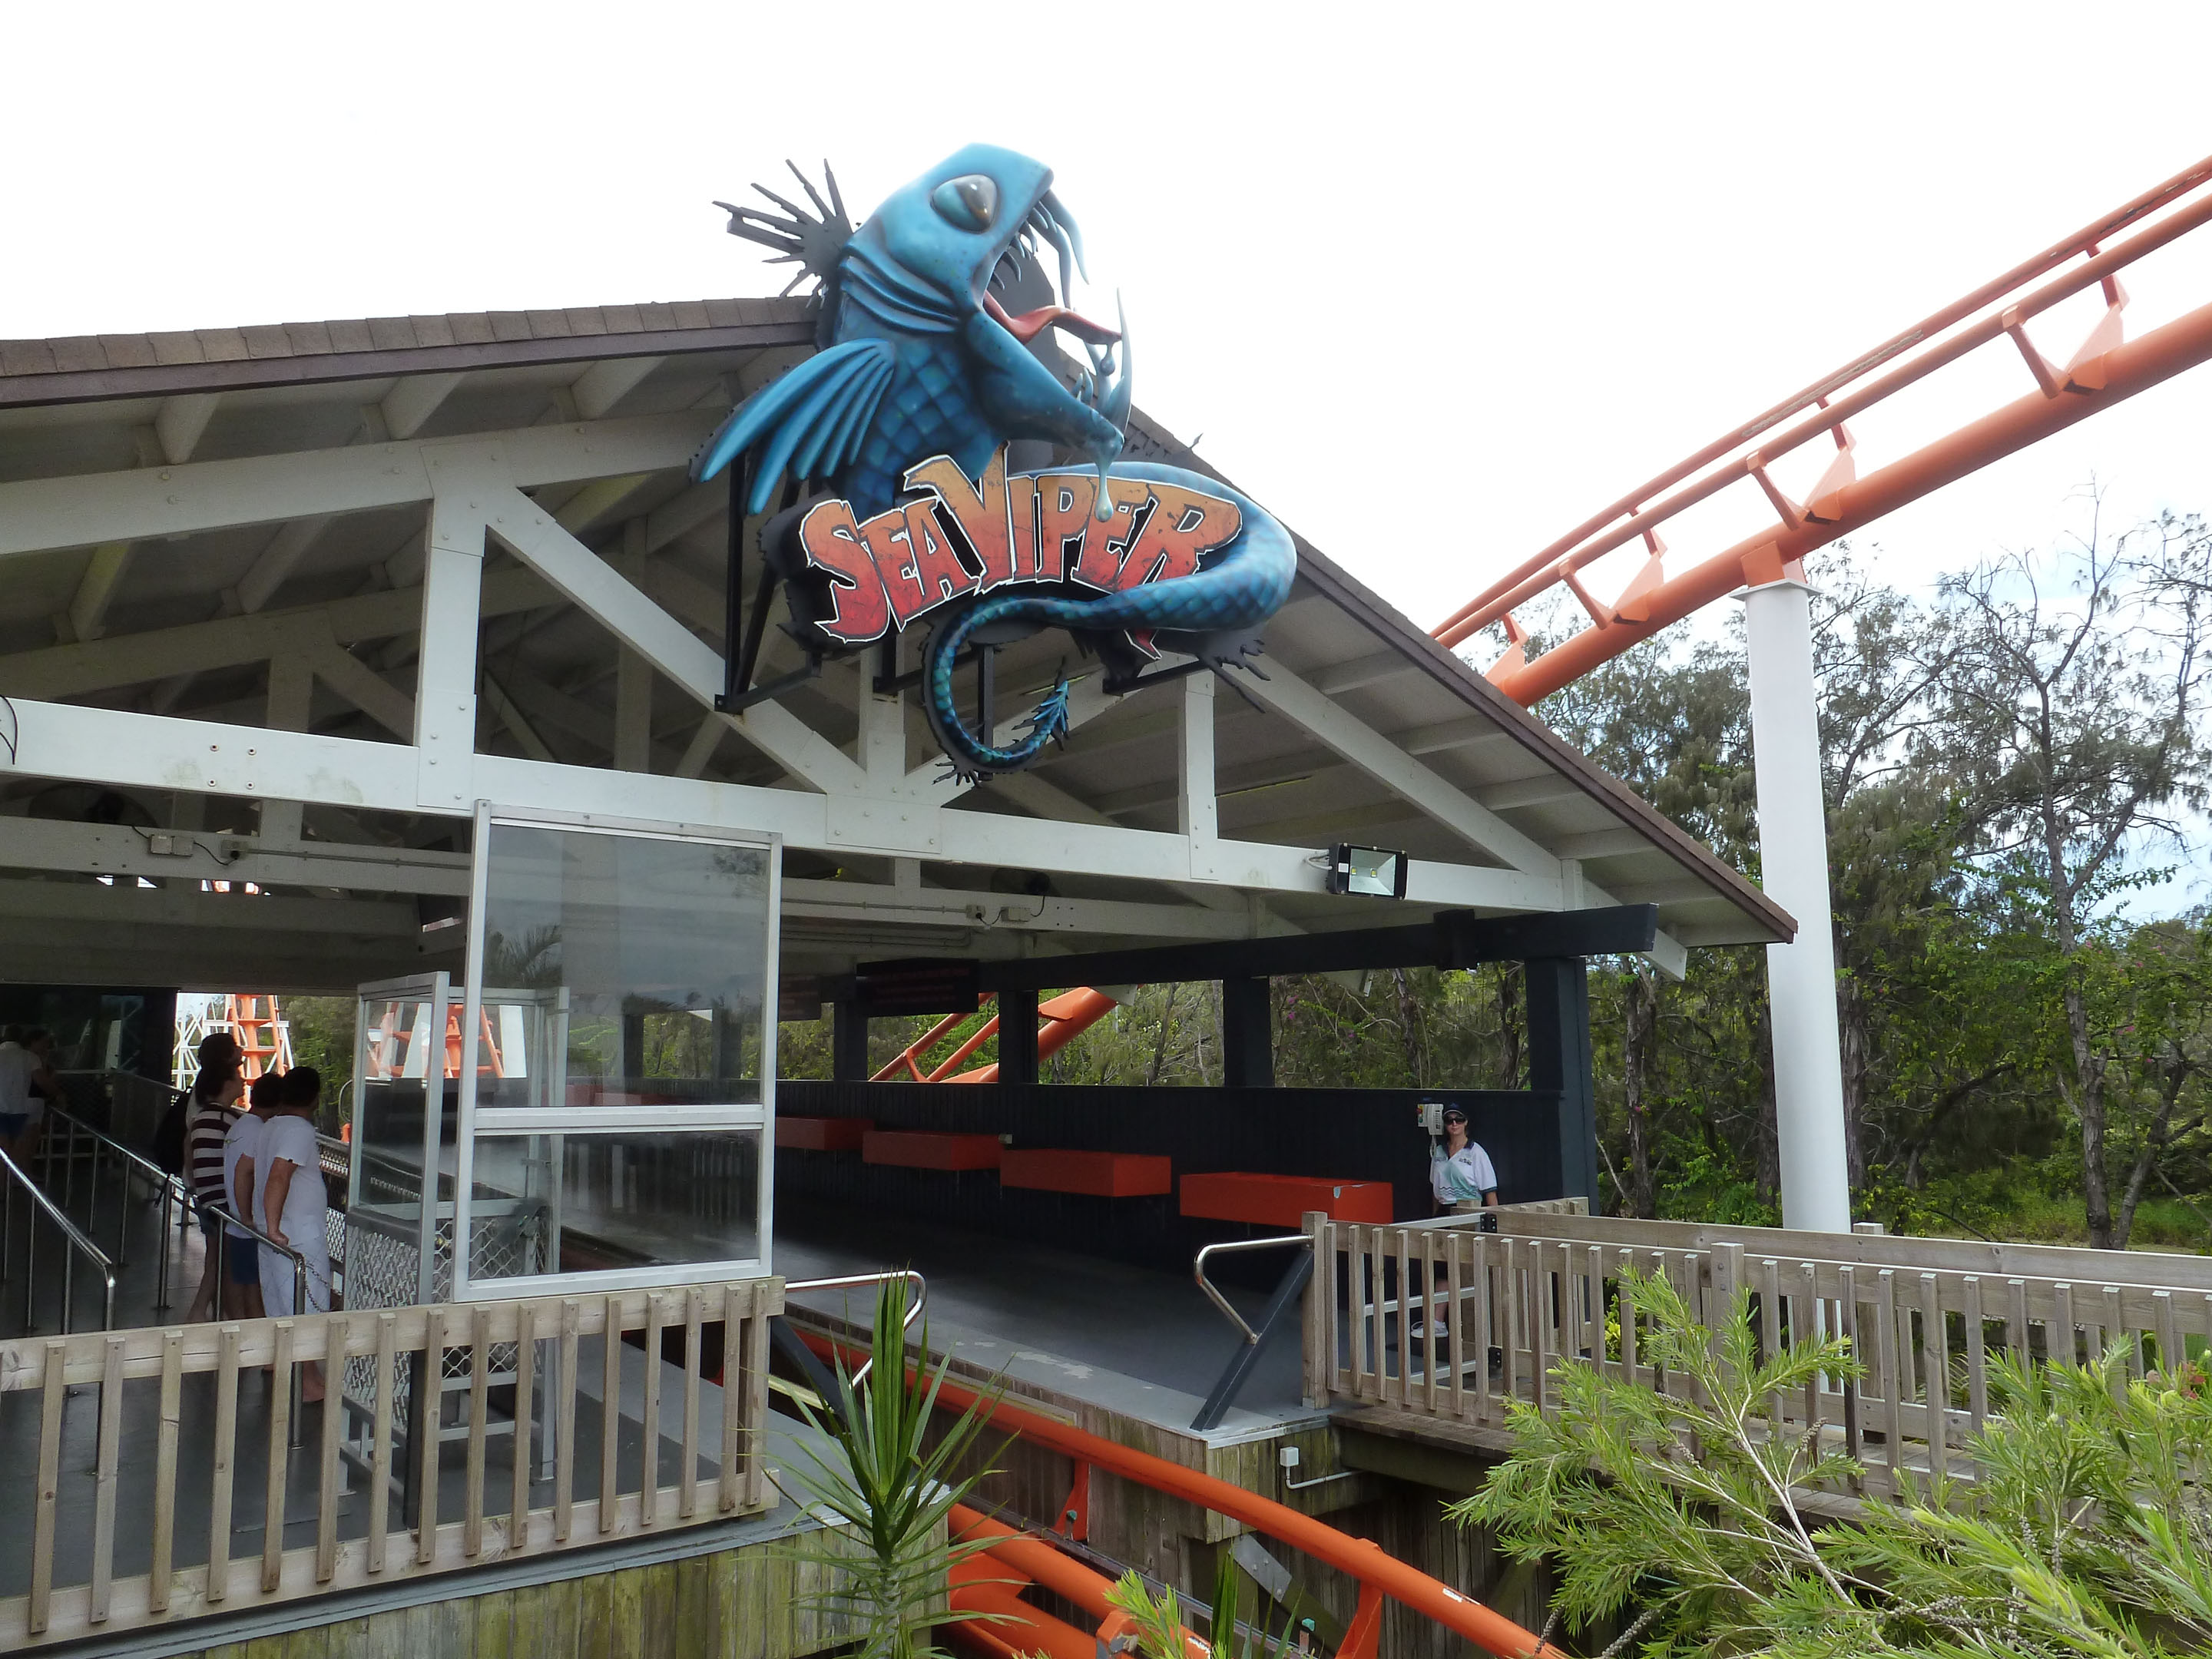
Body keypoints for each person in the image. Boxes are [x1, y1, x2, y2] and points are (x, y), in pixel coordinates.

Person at [256, 1066, 331, 1402]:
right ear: (316, 1098)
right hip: (295, 1234)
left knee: (281, 1306)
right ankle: (308, 1381)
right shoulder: (299, 1130)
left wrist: (259, 1222)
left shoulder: (269, 1126)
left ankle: (297, 1374)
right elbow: (279, 1176)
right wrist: (274, 1227)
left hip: (271, 1232)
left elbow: (251, 1170)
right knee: (307, 1306)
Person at [181, 1033, 247, 1323]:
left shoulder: (200, 1107)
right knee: (225, 1260)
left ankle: (209, 1312)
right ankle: (226, 1315)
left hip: (204, 1193)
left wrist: (194, 1182)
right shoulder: (227, 1119)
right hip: (222, 1198)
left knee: (216, 1257)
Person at [221, 1070, 278, 1324]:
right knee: (256, 1291)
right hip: (247, 1225)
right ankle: (263, 1354)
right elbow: (243, 1173)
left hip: (235, 1221)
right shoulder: (259, 1132)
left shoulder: (240, 1125)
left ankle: (242, 1336)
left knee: (242, 1284)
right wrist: (247, 1217)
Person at [0, 1027, 59, 1171]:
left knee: (4, 1152)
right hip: (20, 1109)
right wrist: (58, 1094)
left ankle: (4, 1186)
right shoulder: (29, 1058)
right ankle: (13, 1181)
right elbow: (42, 1082)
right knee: (17, 1150)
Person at [1429, 1106, 1501, 1214]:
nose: (1454, 1124)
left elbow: (1489, 1190)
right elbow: (1435, 1187)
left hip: (1469, 1209)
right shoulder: (1439, 1151)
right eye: (1449, 1121)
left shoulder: (1476, 1151)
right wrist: (1434, 1215)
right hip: (1443, 1209)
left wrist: (1496, 1219)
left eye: (1459, 1120)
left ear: (1465, 1122)